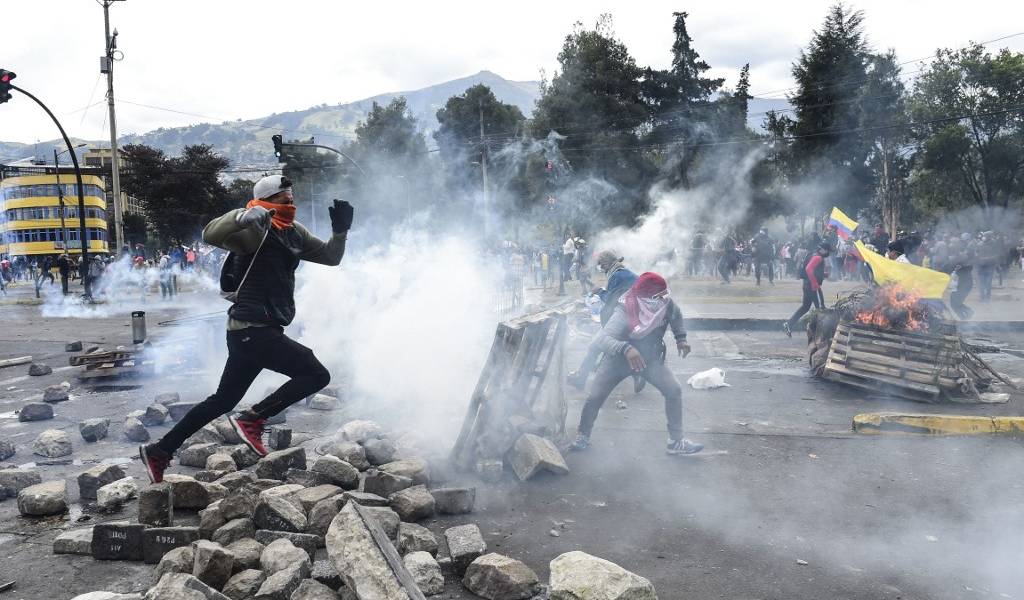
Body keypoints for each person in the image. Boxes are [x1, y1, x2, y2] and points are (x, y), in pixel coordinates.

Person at [140, 175, 354, 483]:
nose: (291, 204)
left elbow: (331, 257)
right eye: (284, 199)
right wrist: (242, 215)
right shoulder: (253, 231)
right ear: (267, 201)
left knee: (222, 401)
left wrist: (341, 230)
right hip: (253, 329)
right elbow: (210, 233)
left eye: (292, 199)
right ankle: (254, 420)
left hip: (253, 332)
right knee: (316, 374)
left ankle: (160, 450)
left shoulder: (294, 232)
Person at [568, 272, 703, 456]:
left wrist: (681, 338)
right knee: (595, 396)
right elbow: (603, 338)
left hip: (650, 358)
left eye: (665, 294)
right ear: (646, 298)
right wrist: (626, 349)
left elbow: (676, 314)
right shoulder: (625, 309)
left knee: (673, 390)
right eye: (659, 296)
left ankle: (676, 442)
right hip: (617, 360)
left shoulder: (664, 302)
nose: (665, 298)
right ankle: (583, 435)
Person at [567, 250, 638, 390]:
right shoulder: (623, 273)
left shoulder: (616, 276)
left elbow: (612, 300)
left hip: (623, 317)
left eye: (600, 264)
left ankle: (581, 379)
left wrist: (599, 291)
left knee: (595, 346)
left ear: (606, 264)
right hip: (632, 316)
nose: (599, 268)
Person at [784, 241, 830, 337]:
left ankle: (789, 324)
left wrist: (823, 274)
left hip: (806, 285)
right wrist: (815, 284)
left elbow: (812, 269)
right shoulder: (818, 257)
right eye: (827, 250)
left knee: (805, 307)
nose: (828, 253)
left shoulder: (813, 254)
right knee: (821, 308)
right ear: (822, 249)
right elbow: (809, 269)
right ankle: (822, 333)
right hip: (813, 286)